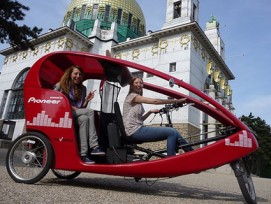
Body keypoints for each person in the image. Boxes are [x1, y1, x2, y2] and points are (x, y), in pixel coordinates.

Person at [123, 77, 193, 156]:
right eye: (136, 83)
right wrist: (177, 100)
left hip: (135, 129)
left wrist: (150, 112)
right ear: (131, 86)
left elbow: (140, 119)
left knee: (174, 132)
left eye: (141, 83)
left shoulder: (136, 99)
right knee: (172, 132)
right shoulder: (133, 96)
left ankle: (190, 153)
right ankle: (174, 159)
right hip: (134, 131)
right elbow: (155, 101)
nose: (139, 84)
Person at [54, 65, 105, 164]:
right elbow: (55, 100)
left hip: (75, 114)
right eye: (75, 73)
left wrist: (86, 100)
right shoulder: (61, 85)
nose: (78, 76)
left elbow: (81, 108)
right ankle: (94, 146)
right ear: (70, 74)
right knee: (90, 112)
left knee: (84, 119)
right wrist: (72, 107)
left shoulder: (83, 89)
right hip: (63, 113)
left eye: (80, 74)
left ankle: (84, 155)